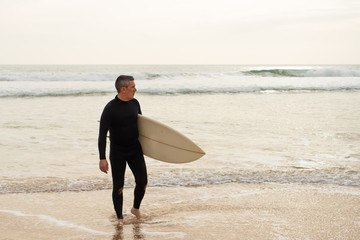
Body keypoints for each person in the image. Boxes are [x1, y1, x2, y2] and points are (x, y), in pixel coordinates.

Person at [98, 75, 148, 225]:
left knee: (143, 181)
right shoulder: (110, 108)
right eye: (132, 87)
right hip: (118, 152)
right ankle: (120, 217)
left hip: (135, 150)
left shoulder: (135, 103)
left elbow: (144, 127)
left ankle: (135, 208)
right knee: (118, 186)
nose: (135, 89)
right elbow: (102, 135)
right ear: (123, 89)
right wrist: (102, 158)